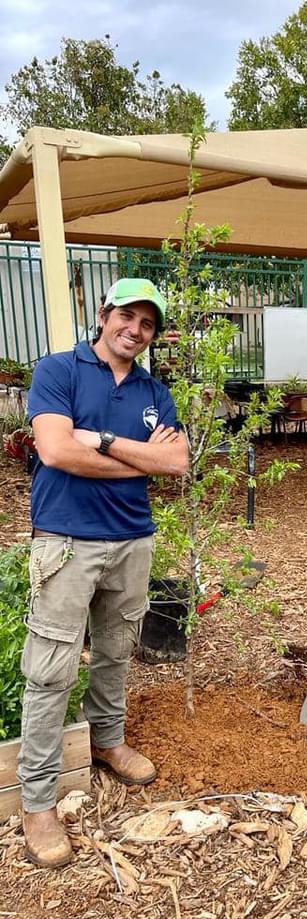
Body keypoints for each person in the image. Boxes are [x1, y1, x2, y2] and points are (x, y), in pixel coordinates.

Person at [18, 278, 189, 868]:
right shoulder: (58, 370)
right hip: (66, 540)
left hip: (132, 542)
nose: (134, 330)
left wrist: (105, 439)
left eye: (147, 323)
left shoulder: (154, 391)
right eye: (127, 316)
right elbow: (57, 452)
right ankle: (37, 799)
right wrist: (135, 460)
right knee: (50, 670)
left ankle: (107, 741)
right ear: (104, 313)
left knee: (117, 651)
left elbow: (175, 462)